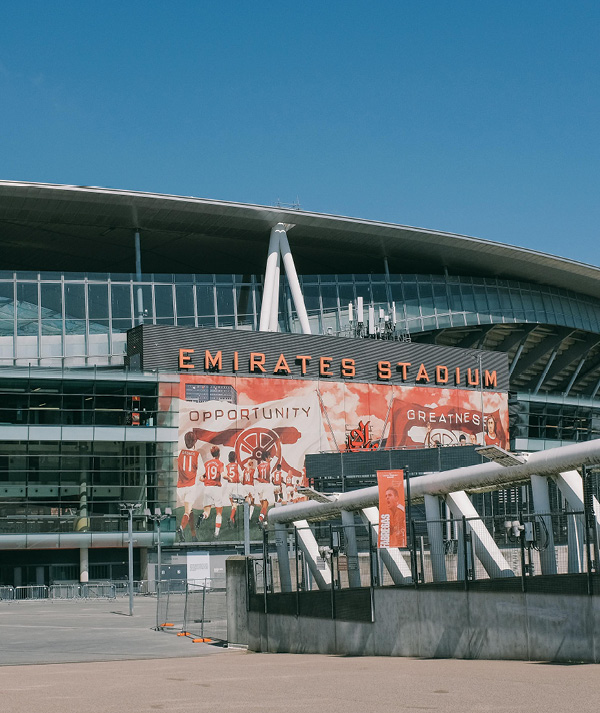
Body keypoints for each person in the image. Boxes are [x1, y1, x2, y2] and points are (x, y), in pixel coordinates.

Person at [176, 431, 201, 542]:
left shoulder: (179, 452)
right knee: (187, 511)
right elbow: (201, 472)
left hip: (180, 486)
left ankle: (193, 535)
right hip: (190, 486)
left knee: (190, 512)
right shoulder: (197, 455)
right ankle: (181, 527)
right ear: (195, 441)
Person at [200, 445, 225, 538]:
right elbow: (223, 474)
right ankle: (216, 533)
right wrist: (229, 477)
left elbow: (201, 477)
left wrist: (206, 480)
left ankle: (203, 516)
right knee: (219, 513)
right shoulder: (220, 463)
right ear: (219, 453)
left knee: (207, 511)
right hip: (216, 488)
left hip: (207, 488)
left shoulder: (207, 464)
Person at [256, 451, 274, 524]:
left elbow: (255, 477)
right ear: (266, 458)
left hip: (260, 485)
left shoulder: (258, 466)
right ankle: (260, 518)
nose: (270, 459)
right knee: (265, 504)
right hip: (267, 485)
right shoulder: (269, 464)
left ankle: (264, 522)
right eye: (269, 457)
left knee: (263, 506)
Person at [224, 450, 241, 526]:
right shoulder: (237, 465)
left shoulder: (227, 466)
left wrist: (229, 478)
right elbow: (241, 475)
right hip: (235, 485)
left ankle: (233, 522)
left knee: (233, 505)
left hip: (229, 485)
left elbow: (224, 476)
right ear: (235, 457)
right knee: (235, 505)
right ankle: (231, 518)